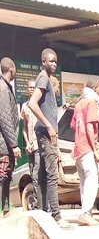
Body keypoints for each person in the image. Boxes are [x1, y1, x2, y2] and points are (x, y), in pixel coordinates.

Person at [28, 48, 71, 229]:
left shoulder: (44, 78)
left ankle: (41, 212)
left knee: (44, 175)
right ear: (43, 61)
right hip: (46, 133)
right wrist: (47, 125)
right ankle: (56, 215)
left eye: (55, 61)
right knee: (52, 176)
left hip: (45, 132)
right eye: (51, 61)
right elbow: (32, 103)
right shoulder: (44, 78)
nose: (54, 64)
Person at [71, 81, 99, 226]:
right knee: (92, 180)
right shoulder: (91, 103)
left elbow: (73, 126)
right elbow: (90, 126)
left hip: (78, 149)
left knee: (84, 182)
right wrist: (95, 150)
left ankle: (87, 212)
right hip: (87, 148)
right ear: (94, 88)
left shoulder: (78, 104)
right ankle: (85, 212)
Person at [0, 57, 20, 217]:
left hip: (5, 143)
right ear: (12, 69)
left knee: (6, 177)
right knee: (2, 176)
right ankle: (4, 209)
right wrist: (14, 145)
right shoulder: (3, 89)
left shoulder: (5, 87)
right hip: (4, 144)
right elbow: (5, 118)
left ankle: (6, 209)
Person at [21, 81, 40, 198]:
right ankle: (36, 200)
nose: (32, 89)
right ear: (27, 89)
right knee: (32, 173)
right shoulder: (25, 106)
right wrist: (27, 142)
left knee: (38, 173)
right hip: (30, 146)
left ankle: (39, 202)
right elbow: (24, 128)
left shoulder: (40, 104)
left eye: (34, 87)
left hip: (39, 144)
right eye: (30, 87)